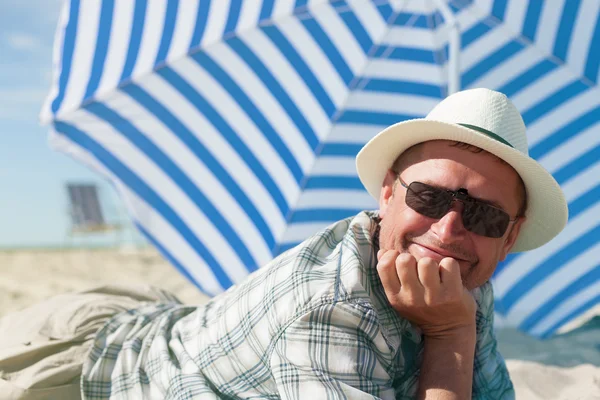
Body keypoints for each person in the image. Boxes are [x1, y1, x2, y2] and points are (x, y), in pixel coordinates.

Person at [0, 88, 568, 399]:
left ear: (510, 236)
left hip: (185, 328)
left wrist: (458, 325)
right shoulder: (328, 305)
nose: (449, 231)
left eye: (485, 216)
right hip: (89, 364)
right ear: (388, 194)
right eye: (428, 198)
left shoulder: (460, 278)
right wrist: (449, 335)